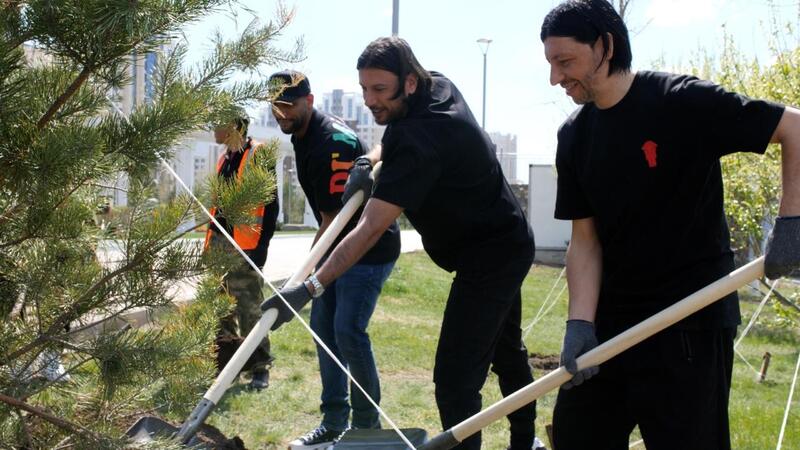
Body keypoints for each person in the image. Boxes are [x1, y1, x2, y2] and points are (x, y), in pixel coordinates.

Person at [539, 1, 800, 449]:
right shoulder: (575, 136)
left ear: (605, 46)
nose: (555, 77)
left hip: (691, 321)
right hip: (612, 328)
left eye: (565, 62)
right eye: (551, 64)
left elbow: (794, 128)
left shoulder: (681, 102)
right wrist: (578, 324)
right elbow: (585, 239)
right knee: (577, 436)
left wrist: (791, 223)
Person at [263, 39, 546, 450]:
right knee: (506, 351)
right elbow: (393, 132)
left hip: (493, 255)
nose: (370, 100)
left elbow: (368, 229)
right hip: (500, 236)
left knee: (454, 379)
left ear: (407, 82)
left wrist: (309, 287)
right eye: (364, 89)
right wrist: (371, 159)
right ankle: (526, 442)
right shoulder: (436, 87)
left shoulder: (421, 143)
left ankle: (515, 442)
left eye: (379, 90)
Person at [267, 70, 402, 449]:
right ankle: (332, 422)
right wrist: (305, 276)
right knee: (324, 331)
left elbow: (333, 220)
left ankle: (365, 427)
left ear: (308, 101)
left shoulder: (333, 143)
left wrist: (304, 277)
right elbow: (330, 224)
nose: (281, 114)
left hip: (368, 249)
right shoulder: (302, 135)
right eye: (275, 107)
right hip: (336, 245)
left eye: (288, 105)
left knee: (347, 331)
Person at [205, 113, 279, 390]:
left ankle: (260, 367)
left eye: (217, 123)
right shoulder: (224, 159)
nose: (213, 129)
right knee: (220, 309)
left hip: (245, 246)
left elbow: (270, 206)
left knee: (249, 309)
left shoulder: (257, 155)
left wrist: (261, 248)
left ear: (233, 127)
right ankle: (227, 367)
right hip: (219, 246)